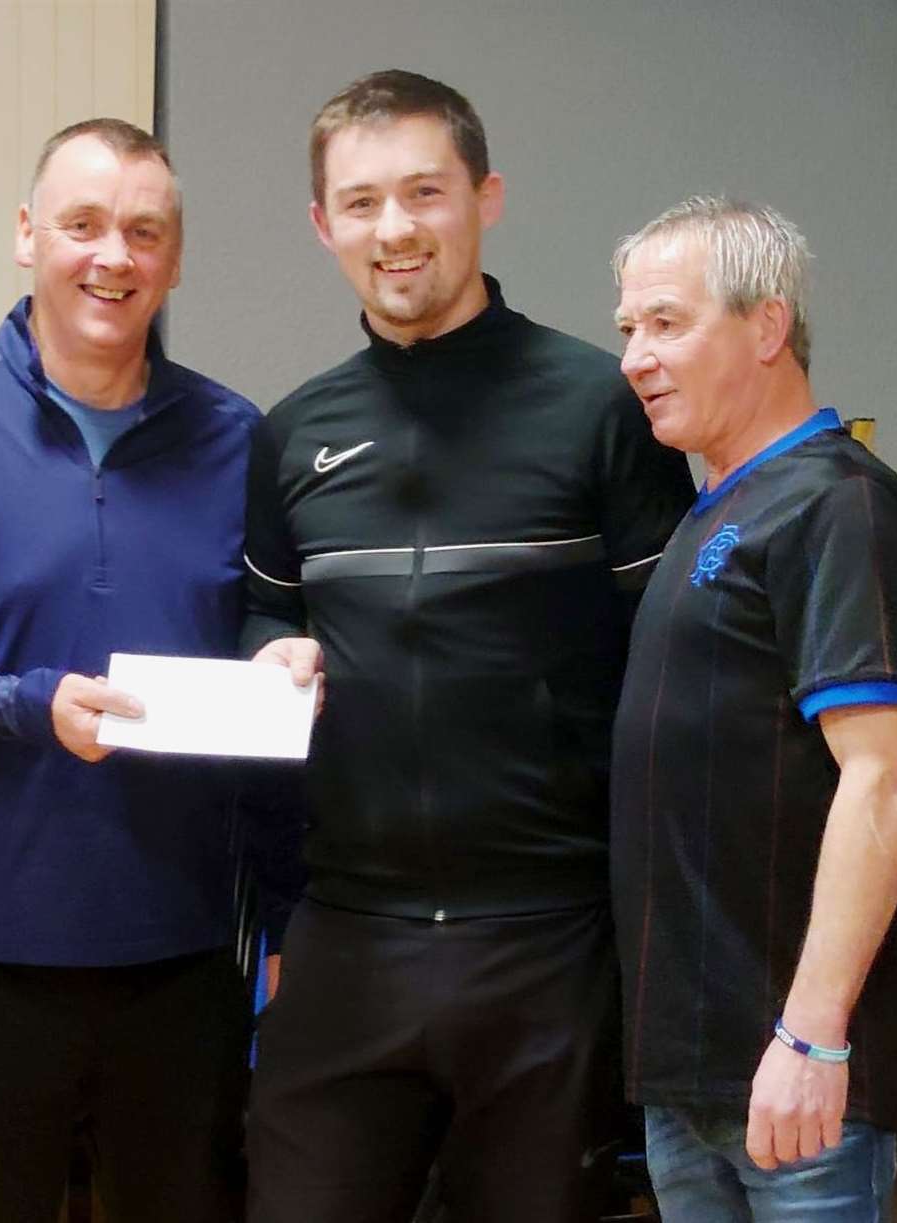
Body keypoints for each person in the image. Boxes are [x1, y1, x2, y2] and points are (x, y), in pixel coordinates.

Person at [241, 69, 695, 1223]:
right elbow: (267, 614)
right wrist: (271, 651)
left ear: (486, 197)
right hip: (350, 935)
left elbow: (677, 661)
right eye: (360, 202)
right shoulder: (293, 433)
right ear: (321, 223)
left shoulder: (603, 406)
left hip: (547, 942)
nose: (394, 230)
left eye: (424, 192)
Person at [0, 118, 297, 1223]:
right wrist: (27, 705)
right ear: (26, 235)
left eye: (145, 232)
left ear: (176, 258)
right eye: (83, 224)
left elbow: (260, 665)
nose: (114, 256)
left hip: (184, 959)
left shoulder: (239, 438)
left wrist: (277, 663)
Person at [610, 195, 897, 1222]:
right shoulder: (715, 507)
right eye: (627, 331)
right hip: (692, 1081)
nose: (635, 357)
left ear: (767, 325)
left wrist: (813, 1035)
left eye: (665, 322)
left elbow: (884, 777)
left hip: (797, 1081)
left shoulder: (838, 501)